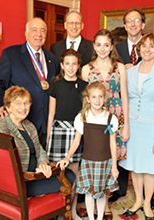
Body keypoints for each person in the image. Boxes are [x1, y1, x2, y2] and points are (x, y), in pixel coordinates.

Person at [113, 7, 154, 205]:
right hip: (123, 105)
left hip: (148, 112)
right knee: (126, 151)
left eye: (137, 20)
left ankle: (147, 197)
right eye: (129, 21)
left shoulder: (152, 46)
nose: (133, 24)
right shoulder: (117, 48)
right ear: (125, 25)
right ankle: (120, 189)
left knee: (145, 157)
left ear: (143, 24)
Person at [119, 33, 154, 220]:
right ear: (138, 50)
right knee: (135, 166)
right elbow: (124, 98)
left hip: (153, 127)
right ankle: (138, 200)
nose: (147, 50)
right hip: (133, 125)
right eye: (144, 46)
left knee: (150, 167)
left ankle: (147, 203)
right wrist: (124, 126)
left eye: (152, 46)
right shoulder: (130, 72)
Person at [0, 86, 75, 197]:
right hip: (20, 182)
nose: (23, 107)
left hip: (35, 173)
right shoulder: (0, 128)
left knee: (68, 174)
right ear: (8, 107)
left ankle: (49, 213)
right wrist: (31, 174)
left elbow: (40, 150)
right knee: (67, 178)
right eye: (18, 103)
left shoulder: (29, 125)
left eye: (26, 103)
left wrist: (43, 164)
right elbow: (0, 163)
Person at [81, 29, 129, 219]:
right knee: (96, 158)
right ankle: (93, 196)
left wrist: (126, 126)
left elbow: (124, 97)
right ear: (94, 46)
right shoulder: (87, 69)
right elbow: (85, 99)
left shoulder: (120, 68)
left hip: (116, 117)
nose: (102, 48)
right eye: (98, 44)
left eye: (106, 45)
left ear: (111, 47)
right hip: (95, 120)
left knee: (111, 159)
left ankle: (105, 201)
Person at [0, 17, 59, 149]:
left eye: (43, 30)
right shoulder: (11, 54)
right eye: (34, 30)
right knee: (21, 163)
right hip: (21, 121)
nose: (39, 34)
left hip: (46, 123)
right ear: (26, 33)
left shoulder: (52, 59)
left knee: (42, 162)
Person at [57, 81, 119, 220]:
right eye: (94, 97)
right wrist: (67, 157)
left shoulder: (110, 118)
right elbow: (76, 141)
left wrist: (114, 166)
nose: (97, 100)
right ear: (88, 99)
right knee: (90, 193)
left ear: (104, 98)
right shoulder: (82, 117)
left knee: (102, 193)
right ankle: (91, 218)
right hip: (88, 161)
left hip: (105, 161)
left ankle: (100, 216)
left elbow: (112, 144)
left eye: (100, 97)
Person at [46, 49, 87, 220]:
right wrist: (48, 137)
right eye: (67, 64)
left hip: (76, 132)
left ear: (78, 66)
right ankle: (57, 208)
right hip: (58, 131)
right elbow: (51, 114)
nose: (71, 67)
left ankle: (73, 208)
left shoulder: (84, 86)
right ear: (62, 65)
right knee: (57, 172)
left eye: (74, 64)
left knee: (73, 173)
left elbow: (85, 113)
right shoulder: (55, 86)